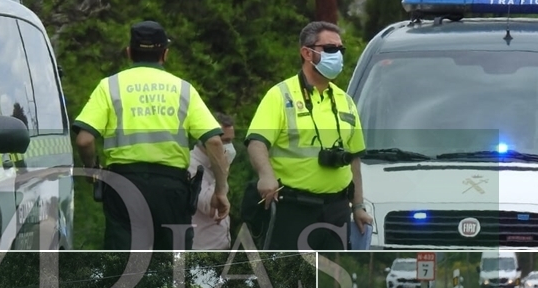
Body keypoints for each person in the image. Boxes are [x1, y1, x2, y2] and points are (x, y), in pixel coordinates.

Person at [73, 21, 230, 250]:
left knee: (123, 266)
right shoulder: (183, 89)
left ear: (129, 53)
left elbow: (84, 139)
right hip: (171, 190)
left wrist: (92, 170)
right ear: (164, 54)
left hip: (123, 187)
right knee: (171, 268)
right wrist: (220, 190)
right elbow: (215, 141)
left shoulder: (109, 86)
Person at [244, 21, 372, 250]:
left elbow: (354, 159)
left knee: (329, 279)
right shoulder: (280, 95)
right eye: (330, 49)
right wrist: (265, 175)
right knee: (290, 277)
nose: (338, 56)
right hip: (293, 209)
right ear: (307, 53)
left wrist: (358, 206)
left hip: (337, 209)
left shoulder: (345, 101)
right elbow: (256, 142)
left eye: (340, 50)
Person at [189, 112, 237, 250]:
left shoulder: (214, 165)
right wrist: (223, 169)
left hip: (222, 249)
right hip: (200, 253)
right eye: (225, 141)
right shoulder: (190, 166)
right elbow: (211, 206)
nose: (230, 147)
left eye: (231, 140)